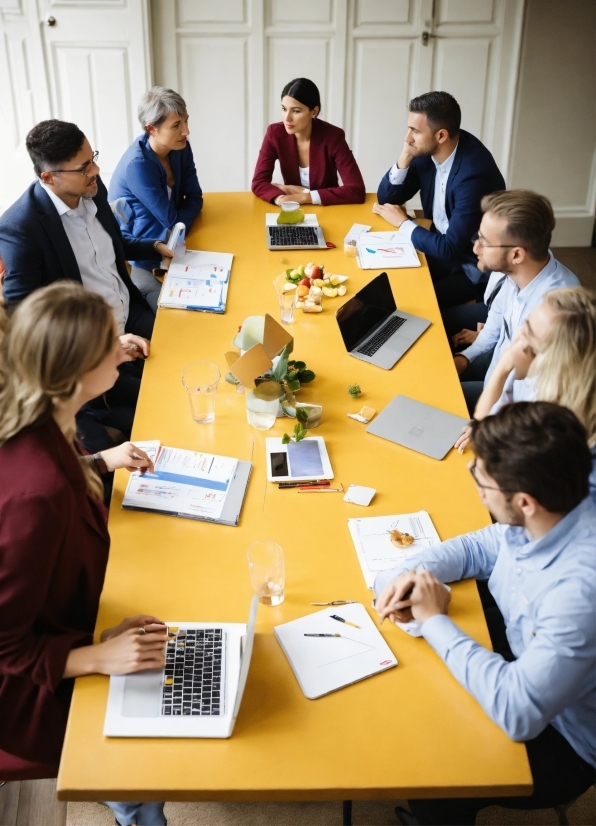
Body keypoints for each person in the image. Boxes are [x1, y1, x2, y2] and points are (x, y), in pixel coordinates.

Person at [375, 402, 596, 826]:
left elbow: (518, 712)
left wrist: (435, 619)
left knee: (432, 776)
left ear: (525, 502)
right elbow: (481, 547)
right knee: (406, 686)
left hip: (566, 739)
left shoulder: (579, 594)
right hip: (521, 650)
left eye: (482, 480)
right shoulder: (550, 508)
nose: (474, 482)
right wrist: (407, 576)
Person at [0, 282, 167, 825]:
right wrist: (95, 656)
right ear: (76, 374)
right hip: (23, 692)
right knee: (145, 754)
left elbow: (57, 479)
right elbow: (5, 646)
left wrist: (102, 461)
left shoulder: (44, 421)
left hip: (64, 621)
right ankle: (131, 802)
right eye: (109, 343)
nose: (122, 345)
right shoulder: (37, 492)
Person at [0, 119, 171, 453]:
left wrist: (149, 247)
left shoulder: (90, 185)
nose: (96, 168)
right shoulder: (19, 230)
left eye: (92, 156)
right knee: (162, 406)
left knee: (193, 350)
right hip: (94, 348)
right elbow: (24, 324)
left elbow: (109, 243)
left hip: (131, 314)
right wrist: (102, 342)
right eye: (84, 166)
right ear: (49, 177)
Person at [456, 287, 596, 504]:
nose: (516, 339)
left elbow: (487, 450)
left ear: (549, 360)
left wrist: (503, 367)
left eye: (527, 332)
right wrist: (503, 369)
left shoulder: (550, 429)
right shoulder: (537, 381)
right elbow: (487, 426)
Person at [451, 190, 579, 414]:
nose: (475, 248)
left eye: (485, 242)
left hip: (513, 416)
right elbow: (493, 330)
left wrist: (484, 425)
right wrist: (464, 358)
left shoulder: (556, 314)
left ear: (517, 255)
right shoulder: (511, 271)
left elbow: (538, 404)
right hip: (496, 388)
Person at [374, 91, 505, 308]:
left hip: (470, 265)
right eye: (409, 129)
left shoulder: (473, 175)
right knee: (386, 279)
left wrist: (403, 223)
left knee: (406, 301)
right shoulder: (428, 152)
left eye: (415, 131)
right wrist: (405, 156)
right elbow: (387, 198)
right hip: (439, 245)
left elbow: (450, 248)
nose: (407, 138)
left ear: (441, 135)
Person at [109, 86, 203, 311]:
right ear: (151, 128)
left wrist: (179, 223)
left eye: (186, 121)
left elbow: (195, 197)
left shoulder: (180, 147)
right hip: (146, 251)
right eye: (176, 125)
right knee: (174, 316)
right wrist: (179, 222)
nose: (186, 131)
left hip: (175, 240)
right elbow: (172, 219)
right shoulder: (138, 166)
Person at [251, 77, 365, 206]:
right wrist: (281, 199)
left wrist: (305, 196)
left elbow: (356, 190)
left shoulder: (333, 137)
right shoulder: (275, 133)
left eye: (296, 111)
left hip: (328, 208)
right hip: (291, 210)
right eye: (284, 109)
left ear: (314, 112)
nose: (287, 118)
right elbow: (258, 183)